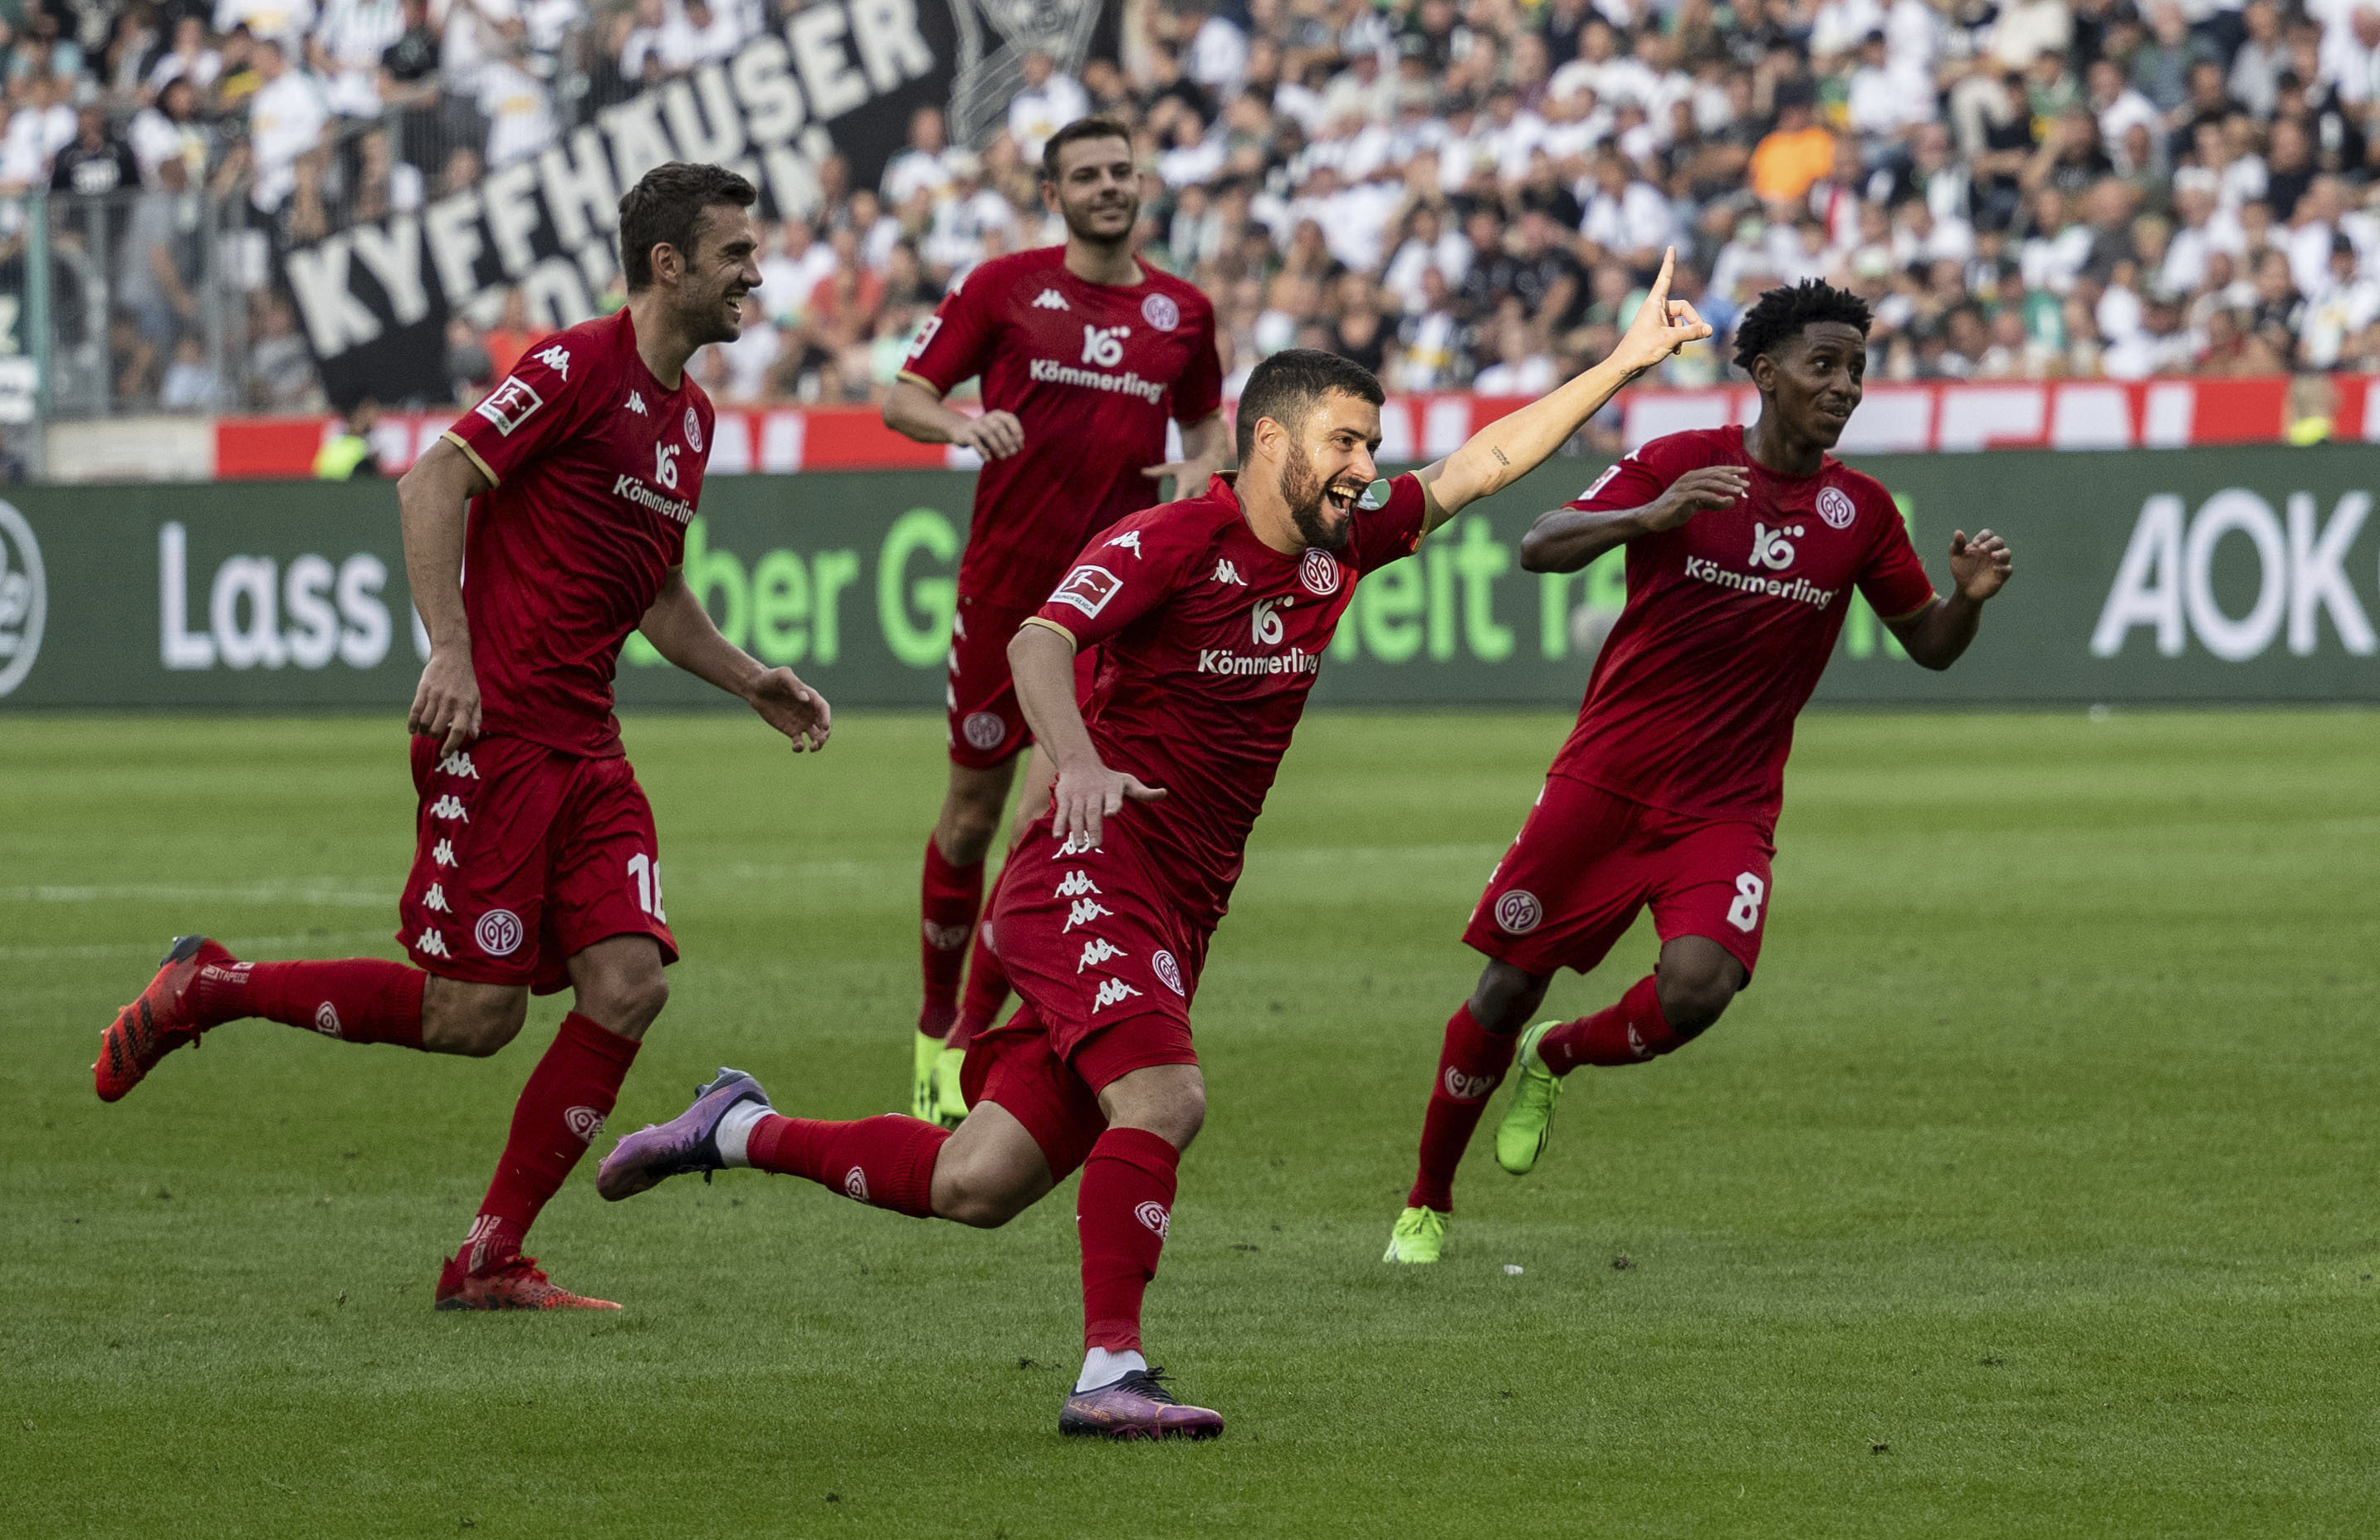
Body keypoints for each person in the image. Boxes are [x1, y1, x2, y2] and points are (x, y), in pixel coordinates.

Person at [595, 254, 1715, 1440]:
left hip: (1178, 904)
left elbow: (1481, 463)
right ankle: (1108, 1370)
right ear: (1270, 440)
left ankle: (729, 1124)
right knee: (1164, 1095)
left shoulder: (1345, 545)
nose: (1363, 466)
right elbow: (1037, 642)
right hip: (1084, 867)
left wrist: (1623, 359)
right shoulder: (1170, 540)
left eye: (1370, 443)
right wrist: (1074, 759)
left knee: (976, 1181)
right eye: (1342, 441)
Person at [93, 162, 834, 1311]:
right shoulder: (571, 367)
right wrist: (449, 645)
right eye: (736, 254)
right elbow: (432, 478)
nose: (756, 271)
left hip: (586, 745)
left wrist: (751, 682)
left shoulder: (688, 418)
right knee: (471, 1016)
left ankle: (488, 1256)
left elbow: (655, 594)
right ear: (668, 265)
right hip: (494, 735)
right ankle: (211, 988)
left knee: (628, 983)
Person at [1384, 280, 2016, 1265]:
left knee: (1696, 989)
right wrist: (1651, 516)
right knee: (1504, 985)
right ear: (1765, 374)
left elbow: (1928, 644)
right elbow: (1538, 544)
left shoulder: (1860, 511)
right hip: (1602, 784)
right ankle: (1425, 1201)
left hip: (1724, 807)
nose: (1844, 384)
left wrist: (1967, 600)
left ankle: (1556, 1056)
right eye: (1823, 364)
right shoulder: (1682, 463)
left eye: (1855, 366)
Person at [880, 116, 1229, 1127]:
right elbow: (906, 397)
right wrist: (959, 422)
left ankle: (963, 1048)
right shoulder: (1003, 288)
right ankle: (932, 1017)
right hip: (1003, 594)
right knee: (972, 817)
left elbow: (1204, 423)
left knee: (1044, 816)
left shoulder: (1183, 310)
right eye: (1088, 174)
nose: (1110, 186)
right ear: (1054, 191)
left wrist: (1201, 467)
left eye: (1122, 170)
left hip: (1112, 608)